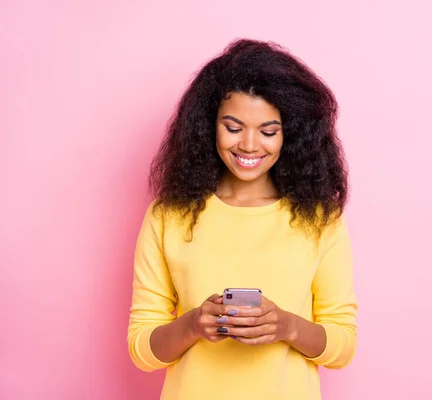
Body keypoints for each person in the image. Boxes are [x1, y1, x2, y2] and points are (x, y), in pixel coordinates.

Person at [127, 38, 357, 400]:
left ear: (291, 134)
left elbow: (343, 345)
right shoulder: (168, 214)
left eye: (268, 131)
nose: (249, 145)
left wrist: (286, 327)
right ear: (207, 126)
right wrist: (192, 325)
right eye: (233, 128)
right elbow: (142, 349)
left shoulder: (319, 219)